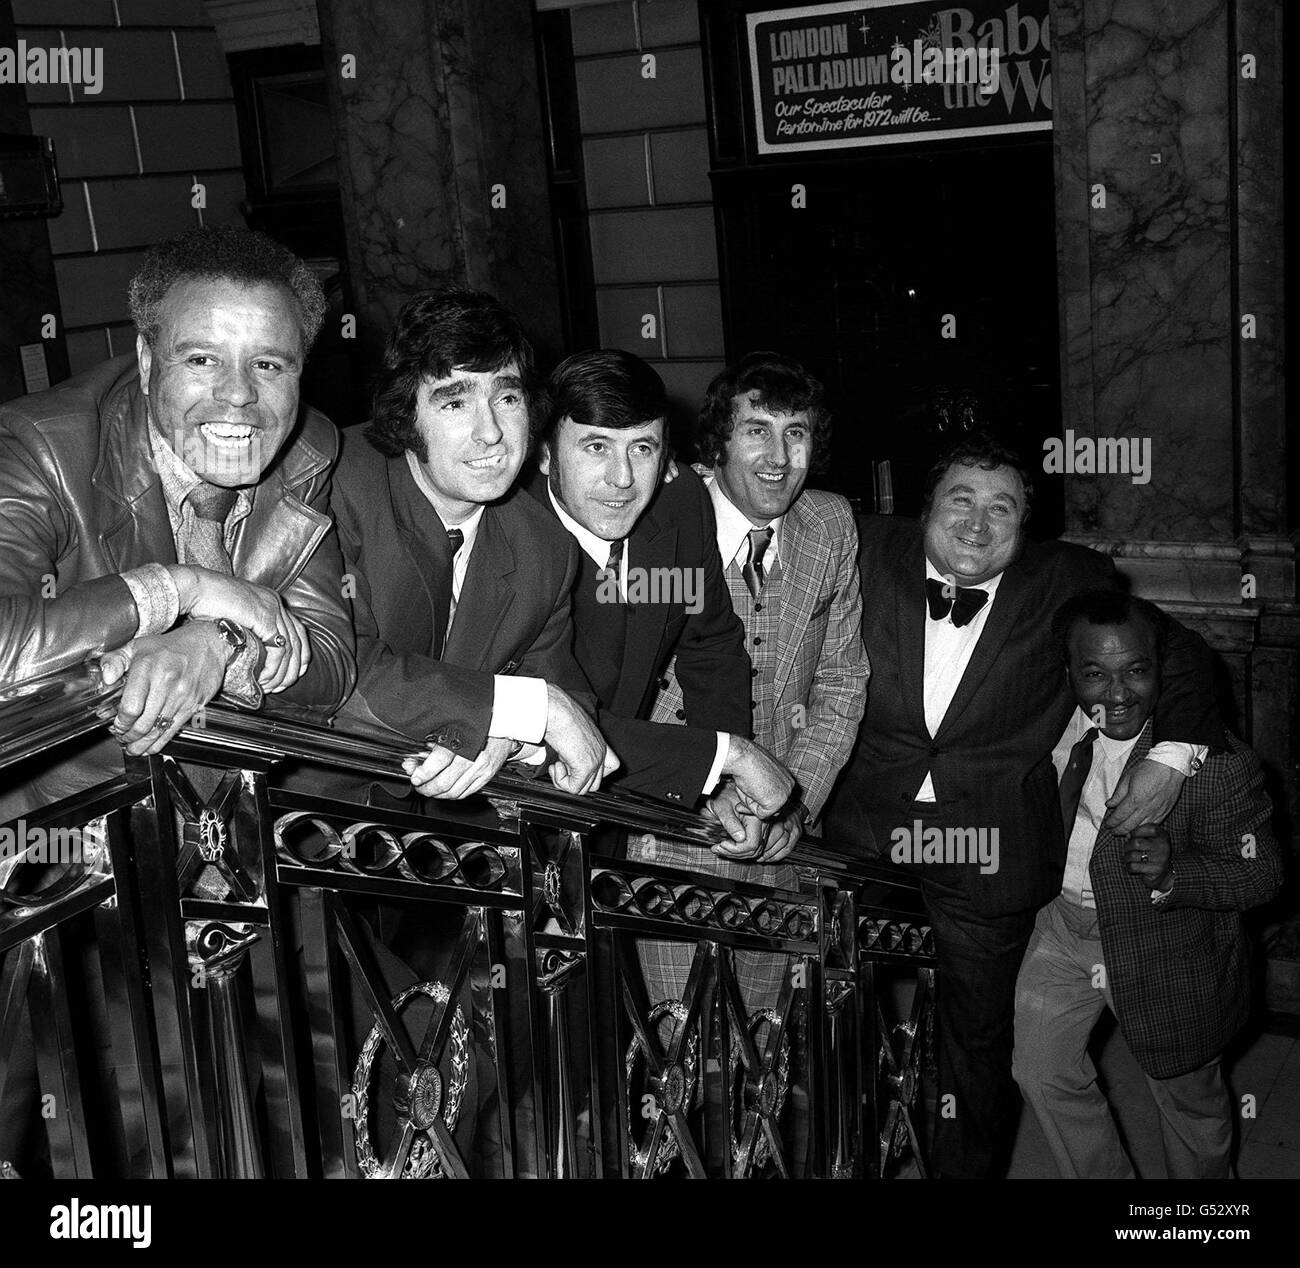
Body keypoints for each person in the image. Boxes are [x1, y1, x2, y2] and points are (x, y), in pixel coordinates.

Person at [825, 434, 1224, 1178]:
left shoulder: (1066, 578)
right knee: (834, 1012)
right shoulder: (861, 547)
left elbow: (1185, 656)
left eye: (1001, 507)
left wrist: (1172, 760)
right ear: (926, 510)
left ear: (1022, 526)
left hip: (986, 846)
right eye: (961, 500)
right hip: (862, 831)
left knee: (978, 1043)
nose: (978, 523)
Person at [0, 225, 356, 820]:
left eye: (268, 364)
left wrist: (220, 641)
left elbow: (330, 662)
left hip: (231, 817)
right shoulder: (42, 447)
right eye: (201, 359)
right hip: (66, 833)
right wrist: (181, 589)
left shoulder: (306, 448)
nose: (239, 395)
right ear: (146, 361)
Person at [1013, 591, 1280, 1178]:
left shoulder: (1217, 764)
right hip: (1062, 932)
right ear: (1068, 675)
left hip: (1167, 949)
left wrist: (1175, 872)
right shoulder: (1048, 729)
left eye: (1136, 671)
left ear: (1163, 667)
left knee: (1189, 1104)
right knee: (1040, 1071)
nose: (1116, 694)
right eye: (1094, 674)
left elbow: (1261, 873)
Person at [326, 288, 614, 803]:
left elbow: (569, 699)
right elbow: (338, 669)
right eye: (455, 401)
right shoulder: (335, 483)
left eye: (506, 398)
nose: (491, 434)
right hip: (304, 818)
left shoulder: (544, 545)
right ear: (405, 414)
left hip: (452, 846)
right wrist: (526, 710)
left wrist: (509, 735)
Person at [647, 351, 868, 1012]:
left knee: (762, 1049)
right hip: (671, 834)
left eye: (795, 434)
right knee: (673, 1047)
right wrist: (704, 791)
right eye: (757, 431)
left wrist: (792, 805)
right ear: (717, 442)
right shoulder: (655, 520)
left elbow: (841, 686)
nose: (778, 457)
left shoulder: (829, 527)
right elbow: (622, 688)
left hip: (779, 842)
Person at [528, 348, 793, 821]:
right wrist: (721, 758)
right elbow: (553, 722)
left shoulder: (677, 503)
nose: (623, 478)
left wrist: (722, 787)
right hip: (509, 802)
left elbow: (709, 645)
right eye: (596, 447)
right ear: (546, 454)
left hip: (616, 807)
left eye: (642, 448)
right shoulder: (509, 531)